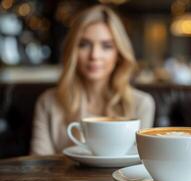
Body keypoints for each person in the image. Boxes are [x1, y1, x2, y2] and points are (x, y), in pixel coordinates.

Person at [31, 5, 155, 155]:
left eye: (106, 46)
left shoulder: (141, 104)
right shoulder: (48, 102)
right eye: (84, 44)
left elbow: (138, 163)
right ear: (73, 51)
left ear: (119, 54)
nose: (94, 55)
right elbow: (39, 164)